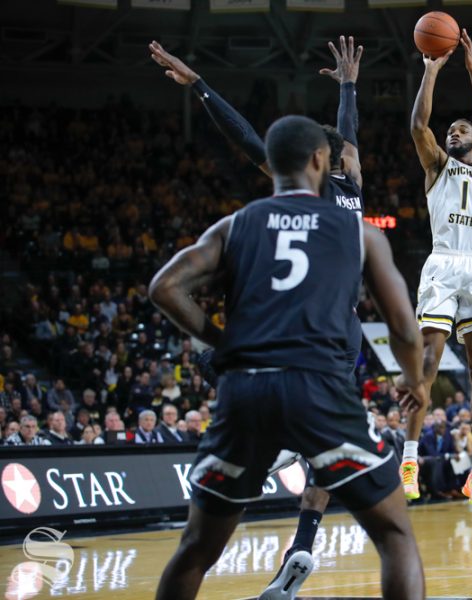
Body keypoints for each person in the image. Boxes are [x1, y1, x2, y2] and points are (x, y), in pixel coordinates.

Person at [149, 115, 427, 600]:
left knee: (195, 549)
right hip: (318, 386)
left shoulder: (235, 225)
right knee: (394, 535)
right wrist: (414, 380)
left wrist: (223, 340)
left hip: (245, 392)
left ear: (272, 165)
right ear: (321, 160)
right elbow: (403, 327)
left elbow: (164, 287)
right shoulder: (357, 232)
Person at [150, 36, 368, 599]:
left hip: (286, 336)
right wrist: (347, 86)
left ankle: (258, 449)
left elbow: (248, 138)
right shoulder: (353, 192)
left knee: (224, 352)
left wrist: (199, 85)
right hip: (341, 336)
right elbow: (350, 136)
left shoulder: (298, 194)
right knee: (336, 460)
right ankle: (303, 541)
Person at [399, 29, 472, 510]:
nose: (453, 133)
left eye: (463, 130)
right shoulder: (437, 167)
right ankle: (408, 457)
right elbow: (419, 125)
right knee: (429, 361)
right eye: (452, 131)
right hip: (443, 263)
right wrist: (431, 70)